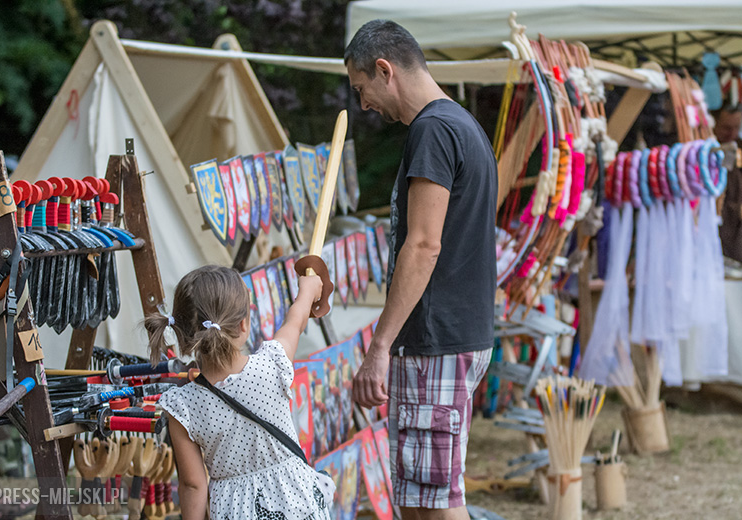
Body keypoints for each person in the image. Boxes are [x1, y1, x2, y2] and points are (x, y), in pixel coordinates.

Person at [345, 20, 498, 520]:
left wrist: (380, 345)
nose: (364, 105)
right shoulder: (463, 124)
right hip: (456, 337)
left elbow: (424, 245)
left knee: (433, 506)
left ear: (384, 70)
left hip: (435, 341)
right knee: (419, 499)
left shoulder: (433, 130)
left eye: (362, 89)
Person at [147, 265, 331, 520]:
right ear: (243, 325)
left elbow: (192, 485)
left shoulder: (182, 406)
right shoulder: (272, 365)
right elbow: (295, 322)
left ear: (183, 334)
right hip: (298, 505)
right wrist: (307, 292)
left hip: (235, 510)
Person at [715, 103, 742, 262]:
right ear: (715, 123)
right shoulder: (703, 149)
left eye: (736, 128)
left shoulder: (739, 147)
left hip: (736, 228)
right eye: (726, 128)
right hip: (716, 219)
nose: (731, 134)